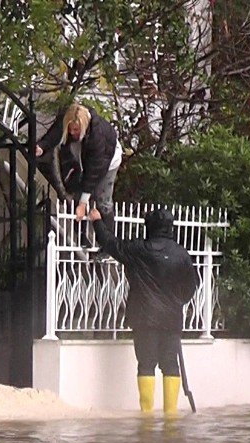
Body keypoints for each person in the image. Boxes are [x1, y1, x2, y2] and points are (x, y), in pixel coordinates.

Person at [89, 206, 199, 414]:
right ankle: (171, 417)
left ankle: (146, 418)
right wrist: (176, 302)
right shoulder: (181, 254)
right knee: (170, 365)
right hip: (171, 319)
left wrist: (97, 221)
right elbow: (191, 287)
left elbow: (111, 244)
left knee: (146, 364)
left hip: (144, 318)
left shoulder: (139, 249)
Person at [36, 103, 122, 235]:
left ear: (83, 125)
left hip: (108, 161)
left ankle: (108, 243)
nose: (72, 133)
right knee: (77, 191)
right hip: (82, 156)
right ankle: (80, 237)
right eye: (70, 129)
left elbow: (94, 171)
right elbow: (55, 133)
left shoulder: (97, 136)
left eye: (76, 130)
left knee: (102, 200)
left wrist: (83, 203)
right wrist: (42, 146)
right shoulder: (69, 118)